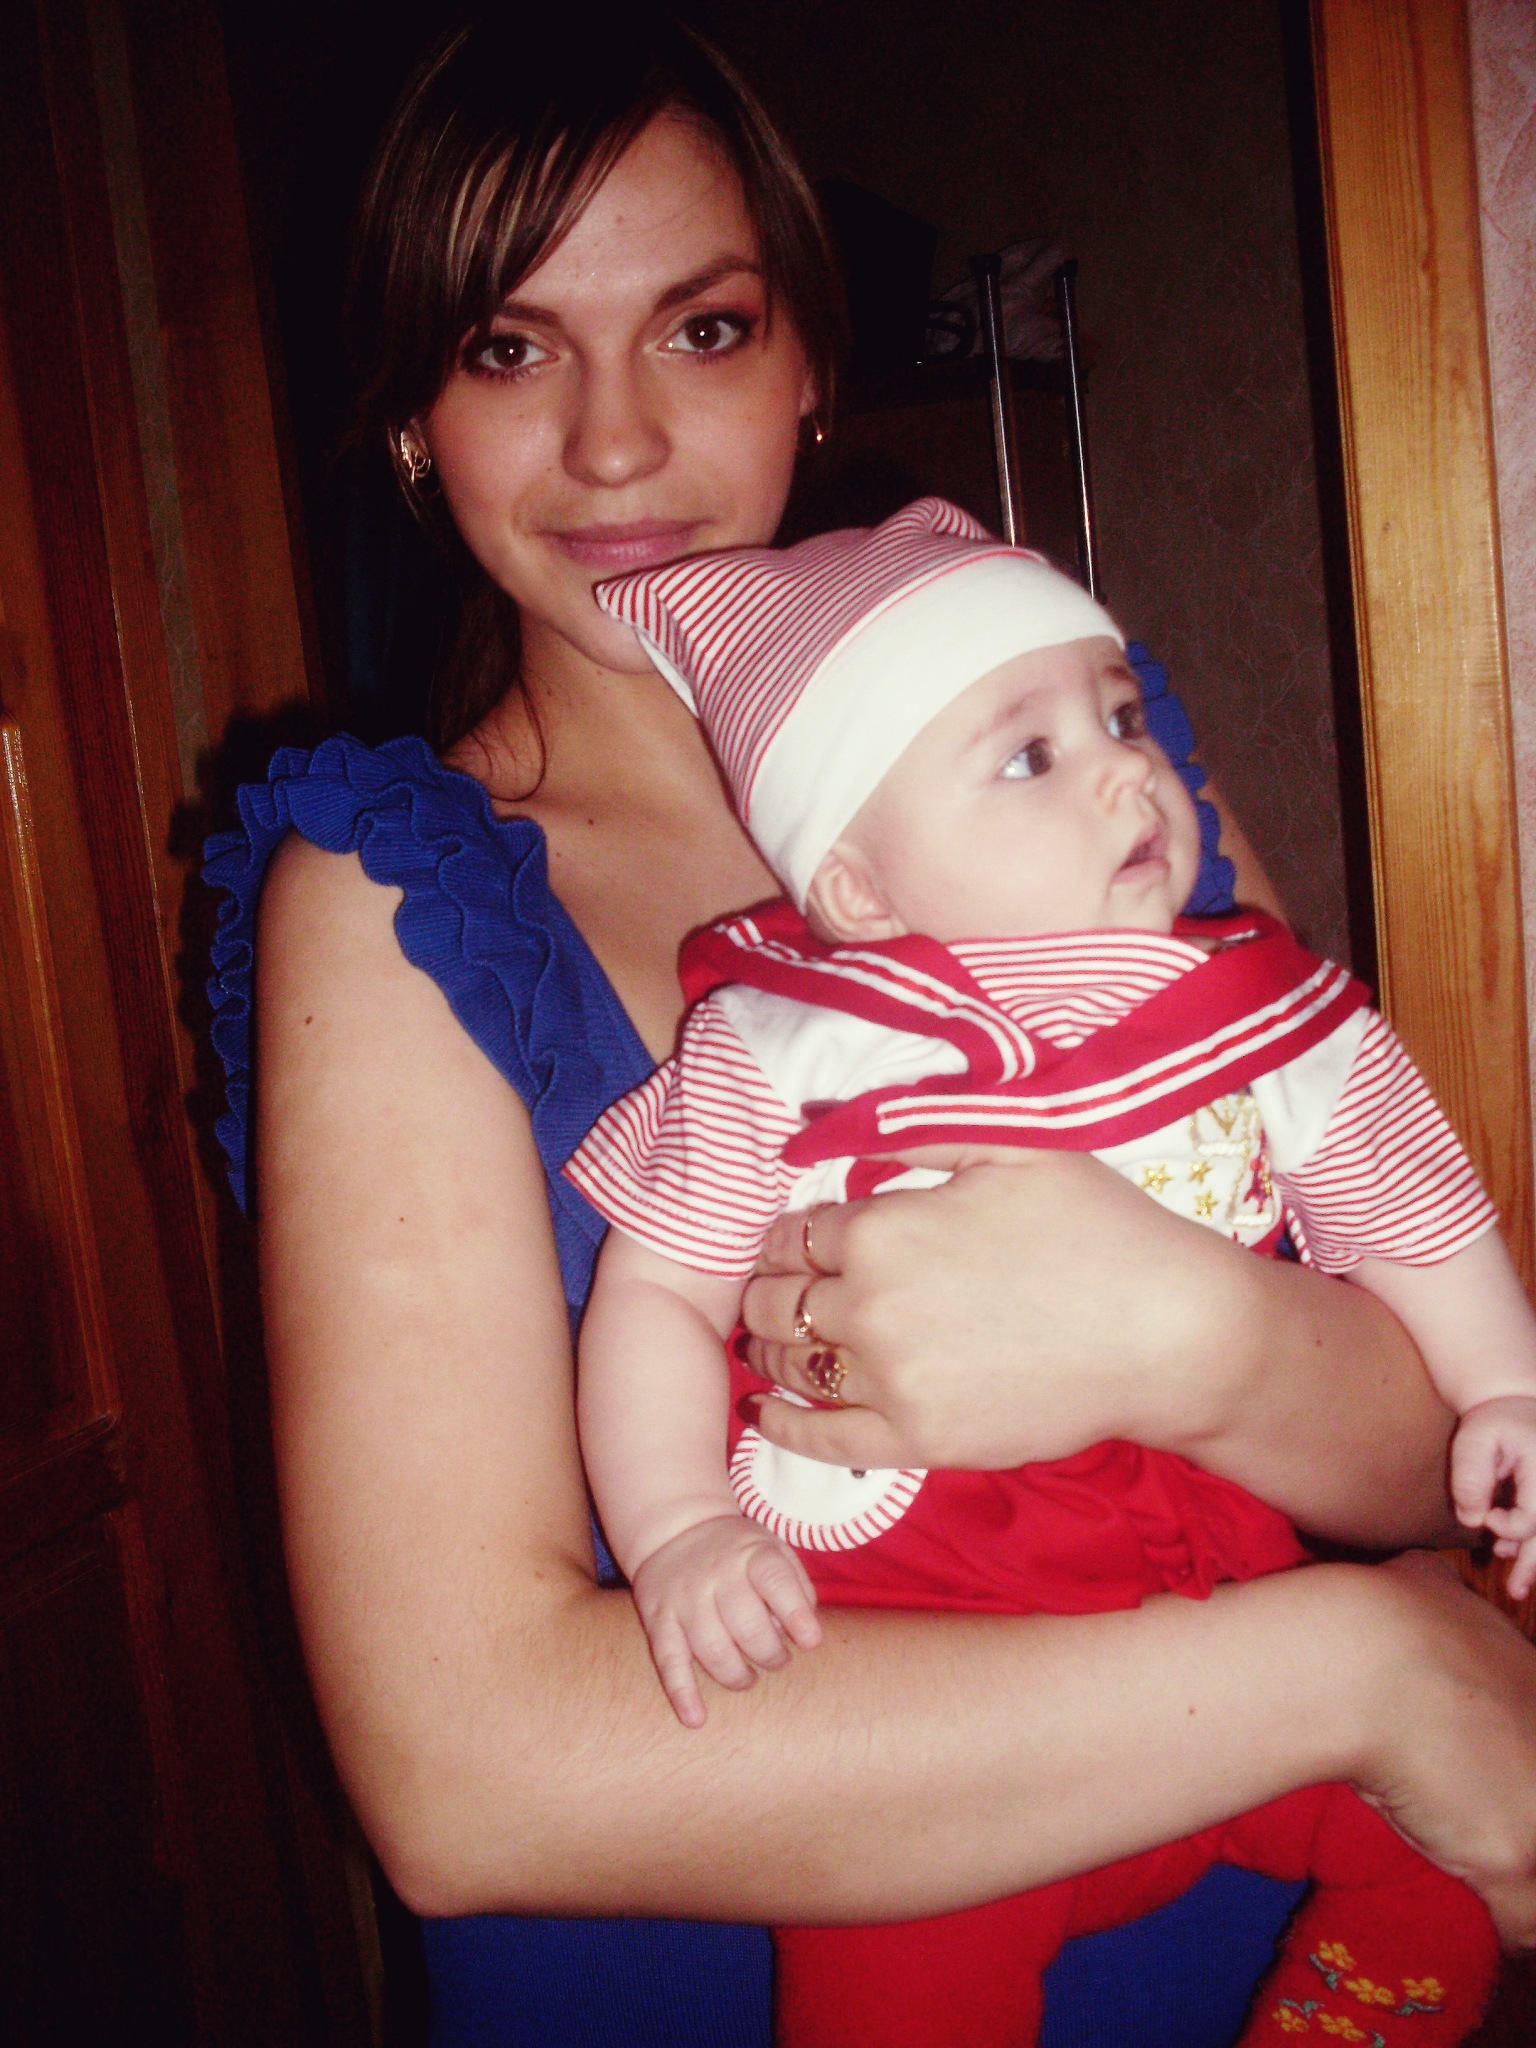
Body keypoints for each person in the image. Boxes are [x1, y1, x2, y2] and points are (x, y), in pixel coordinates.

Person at [205, 15, 1536, 2048]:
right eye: (508, 346)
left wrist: (1186, 1335)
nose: (618, 443)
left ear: (813, 360)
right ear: (408, 421)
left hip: (1256, 1967)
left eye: (703, 328)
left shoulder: (1083, 772)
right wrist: (1364, 1675)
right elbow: (469, 1775)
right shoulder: (392, 905)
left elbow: (1435, 1452)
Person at [566, 496, 1536, 2044]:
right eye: (1029, 756)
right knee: (891, 1998)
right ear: (859, 888)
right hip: (936, 1716)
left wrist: (1505, 1385)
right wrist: (679, 1529)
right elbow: (660, 1296)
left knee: (1444, 1857)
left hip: (1231, 1635)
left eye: (1119, 716)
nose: (1124, 770)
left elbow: (1410, 1213)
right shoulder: (783, 1046)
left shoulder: (1254, 1009)